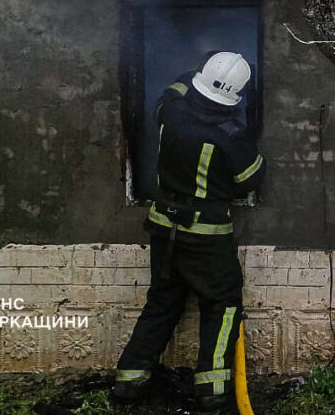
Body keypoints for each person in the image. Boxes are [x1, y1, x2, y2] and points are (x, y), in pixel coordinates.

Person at [112, 51, 266, 411]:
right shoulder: (231, 134)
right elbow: (250, 179)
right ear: (237, 96)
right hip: (207, 238)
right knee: (223, 305)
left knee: (162, 303)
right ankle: (212, 388)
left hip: (164, 227)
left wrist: (198, 67)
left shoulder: (170, 110)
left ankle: (130, 381)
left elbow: (174, 88)